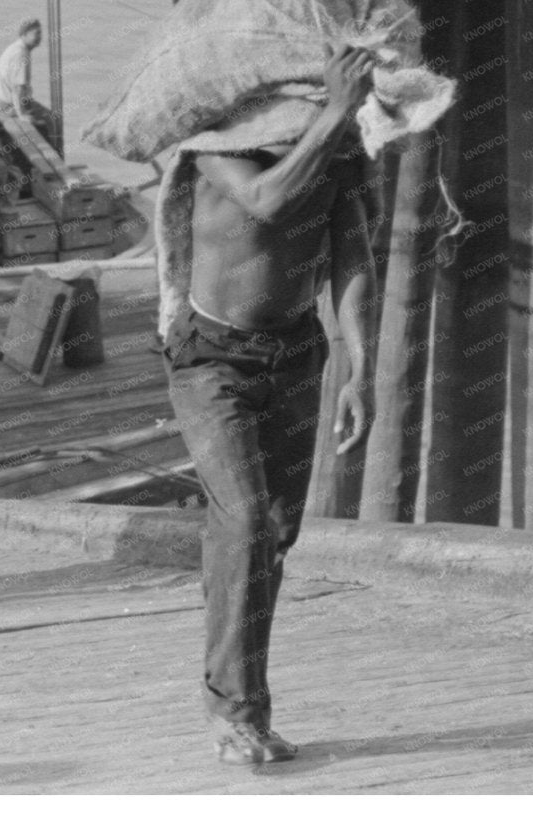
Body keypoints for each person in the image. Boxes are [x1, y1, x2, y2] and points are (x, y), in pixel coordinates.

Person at [164, 47, 377, 766]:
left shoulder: (338, 159)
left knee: (271, 533)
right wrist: (336, 116)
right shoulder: (217, 148)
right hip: (212, 357)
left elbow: (352, 258)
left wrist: (359, 369)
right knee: (248, 521)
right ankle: (232, 710)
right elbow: (266, 200)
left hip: (295, 354)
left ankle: (242, 694)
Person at [0, 18, 59, 148]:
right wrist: (21, 114)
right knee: (52, 119)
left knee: (47, 117)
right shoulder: (21, 54)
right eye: (36, 33)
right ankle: (54, 156)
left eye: (40, 33)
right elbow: (18, 88)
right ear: (24, 34)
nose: (39, 37)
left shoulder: (15, 49)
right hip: (12, 104)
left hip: (6, 102)